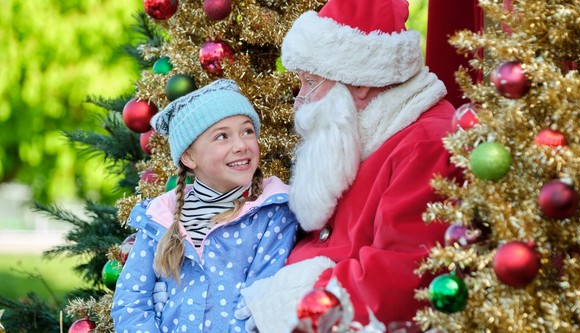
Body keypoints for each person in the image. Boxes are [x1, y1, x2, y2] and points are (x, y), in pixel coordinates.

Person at [235, 0, 466, 331]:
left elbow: (401, 279)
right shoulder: (356, 126)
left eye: (310, 82)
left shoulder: (428, 144)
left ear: (359, 81)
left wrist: (292, 302)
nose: (300, 100)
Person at [110, 79, 298, 333]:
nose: (241, 145)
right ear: (188, 157)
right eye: (222, 136)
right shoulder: (160, 219)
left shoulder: (271, 214)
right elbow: (131, 300)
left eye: (247, 131)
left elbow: (262, 299)